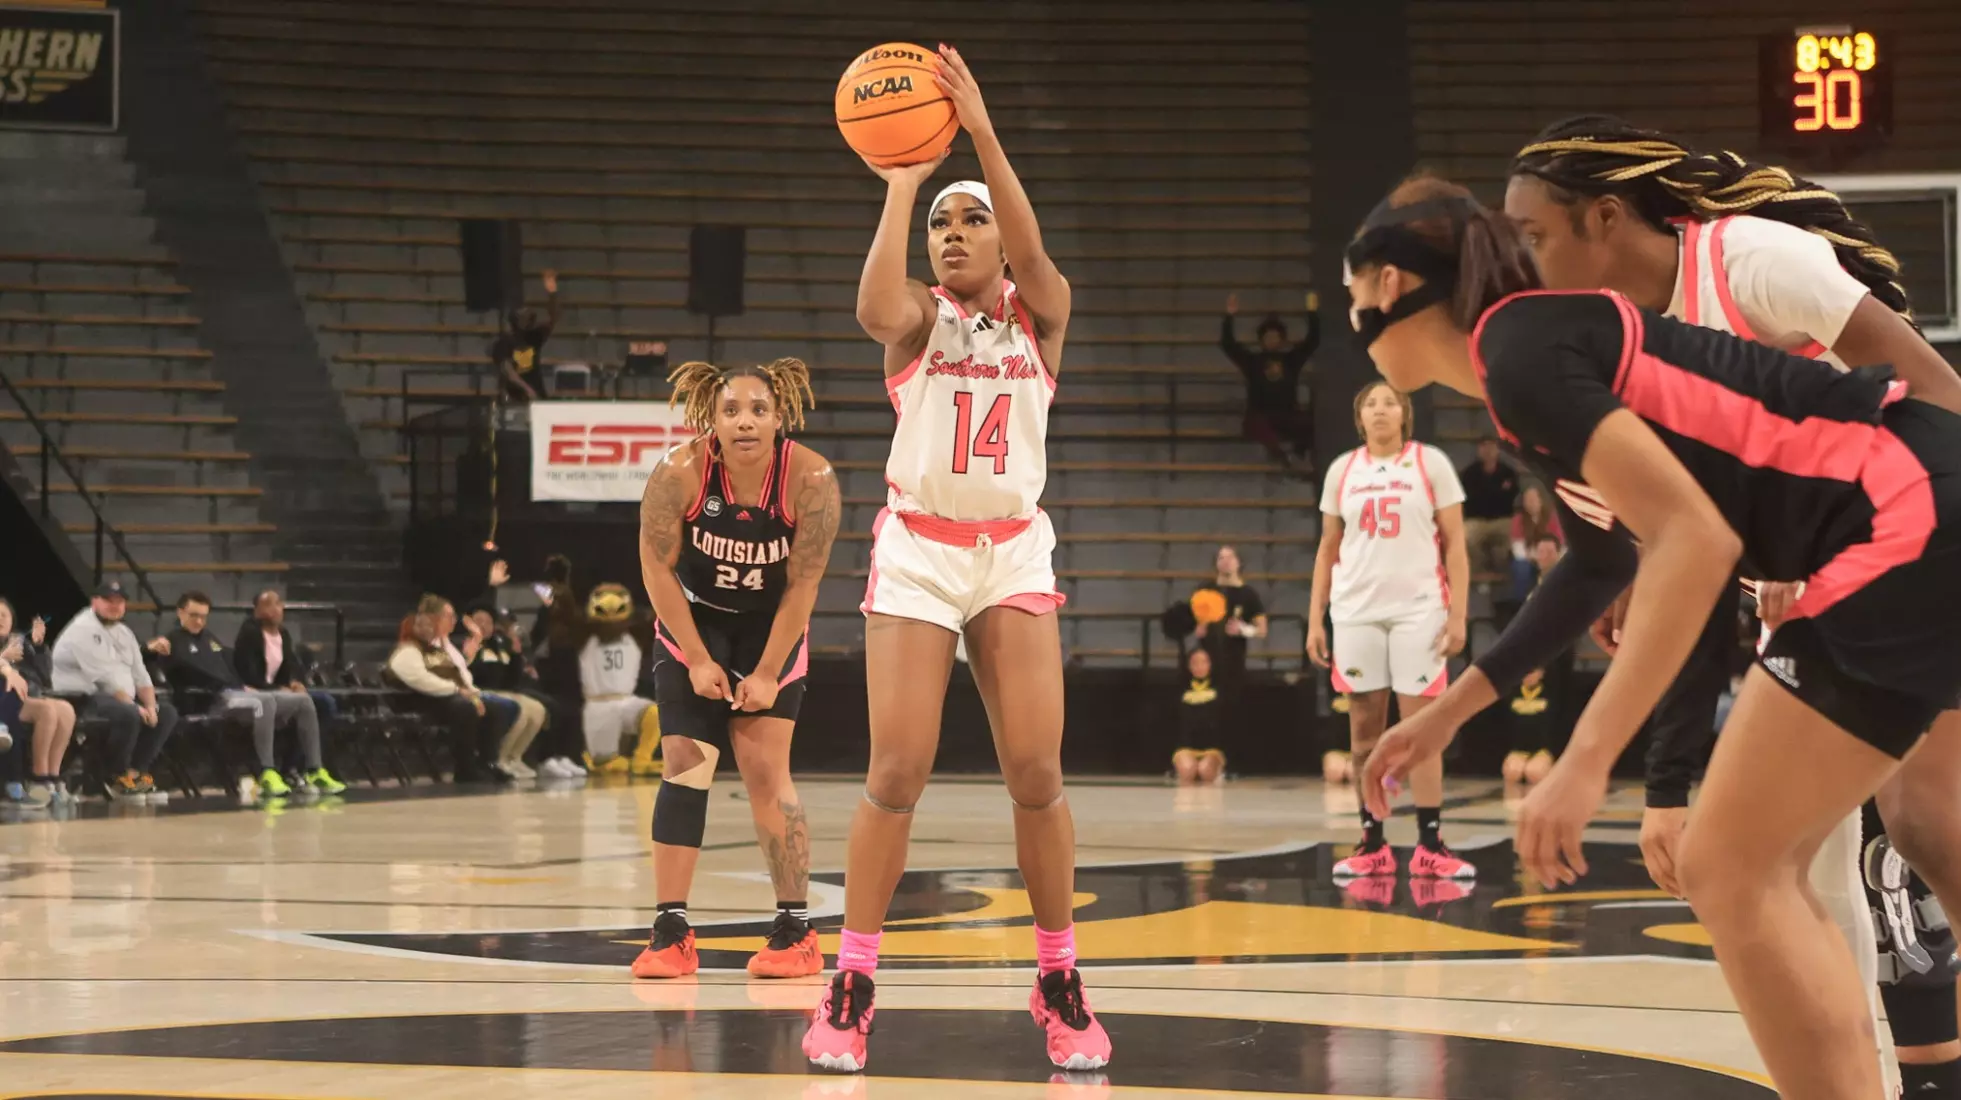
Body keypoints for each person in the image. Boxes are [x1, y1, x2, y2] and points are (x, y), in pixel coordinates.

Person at [1346, 172, 1961, 1100]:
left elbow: (1693, 541)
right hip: (1905, 511)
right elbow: (1599, 564)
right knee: (1760, 867)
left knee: (1733, 866)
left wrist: (1586, 762)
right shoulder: (1524, 356)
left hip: (1896, 519)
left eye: (1347, 294)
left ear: (1388, 284)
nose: (1348, 318)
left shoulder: (1517, 350)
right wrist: (1451, 712)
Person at [804, 44, 1111, 1074]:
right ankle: (849, 979)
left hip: (1011, 549)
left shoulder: (1042, 312)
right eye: (943, 222)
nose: (952, 233)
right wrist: (899, 184)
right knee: (896, 769)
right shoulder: (915, 325)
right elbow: (867, 308)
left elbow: (1033, 251)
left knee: (1035, 770)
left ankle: (1057, 974)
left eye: (966, 217)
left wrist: (978, 134)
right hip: (920, 553)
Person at [632, 356, 839, 982]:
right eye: (730, 411)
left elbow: (803, 587)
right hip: (697, 622)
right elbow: (655, 570)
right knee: (686, 763)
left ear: (781, 417)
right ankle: (671, 928)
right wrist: (696, 658)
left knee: (764, 770)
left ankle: (796, 930)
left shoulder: (811, 478)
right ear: (711, 419)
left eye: (758, 410)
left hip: (769, 627)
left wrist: (770, 671)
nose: (744, 422)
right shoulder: (679, 472)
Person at [1305, 380, 1473, 880]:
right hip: (1355, 611)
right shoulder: (1344, 469)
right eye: (1370, 404)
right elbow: (1327, 547)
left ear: (1404, 414)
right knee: (1362, 733)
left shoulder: (1430, 463)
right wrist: (1316, 617)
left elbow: (1457, 544)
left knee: (1420, 730)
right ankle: (1371, 841)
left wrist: (1458, 613)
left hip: (1419, 612)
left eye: (1389, 402)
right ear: (1360, 419)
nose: (1380, 410)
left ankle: (1431, 843)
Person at [154, 591, 343, 797]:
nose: (199, 621)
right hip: (212, 699)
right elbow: (186, 672)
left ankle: (314, 769)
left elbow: (228, 663)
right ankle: (267, 772)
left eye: (203, 616)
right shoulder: (172, 641)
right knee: (265, 701)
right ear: (180, 613)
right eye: (194, 616)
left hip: (236, 693)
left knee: (304, 701)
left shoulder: (208, 638)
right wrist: (151, 649)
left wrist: (242, 685)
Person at [49, 581, 180, 801]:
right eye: (108, 601)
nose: (115, 606)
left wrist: (149, 706)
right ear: (94, 602)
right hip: (81, 698)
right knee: (128, 714)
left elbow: (141, 674)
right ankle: (114, 776)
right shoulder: (83, 629)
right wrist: (135, 707)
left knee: (166, 713)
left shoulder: (124, 632)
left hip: (118, 699)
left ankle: (135, 774)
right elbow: (104, 681)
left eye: (120, 602)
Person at [386, 600, 514, 783]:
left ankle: (488, 762)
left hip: (446, 699)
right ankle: (465, 768)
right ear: (413, 627)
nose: (427, 629)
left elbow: (459, 672)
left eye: (430, 625)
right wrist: (456, 689)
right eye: (421, 625)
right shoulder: (407, 650)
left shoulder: (438, 651)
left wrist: (471, 691)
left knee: (495, 708)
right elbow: (420, 680)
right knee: (465, 708)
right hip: (420, 700)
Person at [1500, 535, 1573, 787]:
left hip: (1558, 648)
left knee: (1557, 701)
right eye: (1540, 551)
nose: (1545, 555)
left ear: (1558, 553)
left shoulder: (1566, 582)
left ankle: (1556, 758)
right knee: (1512, 771)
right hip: (1533, 647)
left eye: (1549, 551)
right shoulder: (1528, 584)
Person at [1220, 291, 1319, 471]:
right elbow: (1229, 345)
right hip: (1260, 415)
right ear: (1261, 340)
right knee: (1254, 424)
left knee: (1309, 423)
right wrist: (1229, 316)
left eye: (1275, 336)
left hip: (1287, 414)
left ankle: (1298, 454)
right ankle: (1281, 456)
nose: (1271, 339)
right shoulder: (1252, 361)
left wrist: (1312, 312)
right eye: (1267, 336)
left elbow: (1312, 342)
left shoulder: (1291, 360)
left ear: (1282, 340)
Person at [0, 598, 75, 809]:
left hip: (29, 694)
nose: (0, 619)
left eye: (4, 615)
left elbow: (45, 676)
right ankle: (38, 776)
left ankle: (53, 776)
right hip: (8, 698)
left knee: (66, 709)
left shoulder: (20, 642)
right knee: (46, 710)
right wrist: (3, 658)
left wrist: (38, 646)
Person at [1186, 545, 1266, 711]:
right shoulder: (1204, 589)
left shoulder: (1248, 594)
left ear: (1238, 563)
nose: (1225, 562)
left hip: (1234, 662)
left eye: (1230, 557)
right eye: (1221, 558)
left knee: (1231, 707)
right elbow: (1191, 618)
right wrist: (1197, 626)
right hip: (1205, 663)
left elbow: (1262, 630)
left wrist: (1243, 629)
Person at [492, 269, 561, 402]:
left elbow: (554, 318)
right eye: (524, 313)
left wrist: (552, 293)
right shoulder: (504, 342)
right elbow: (509, 372)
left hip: (537, 396)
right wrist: (527, 390)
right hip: (516, 399)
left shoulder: (533, 337)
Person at [1457, 436, 1518, 578]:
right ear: (1479, 450)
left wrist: (1486, 493)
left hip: (1502, 520)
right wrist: (1497, 491)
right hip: (1476, 520)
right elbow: (1470, 499)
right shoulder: (1469, 474)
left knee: (1507, 542)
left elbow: (1509, 498)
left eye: (1492, 447)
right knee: (1467, 538)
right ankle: (1477, 577)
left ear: (1497, 450)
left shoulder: (1508, 473)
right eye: (1484, 447)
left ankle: (1504, 578)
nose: (1488, 451)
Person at [1170, 647, 1225, 785]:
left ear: (1210, 664)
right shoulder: (1181, 689)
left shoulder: (1220, 689)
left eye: (1204, 662)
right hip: (1186, 746)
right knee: (1188, 770)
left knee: (1205, 770)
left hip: (1212, 748)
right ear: (1189, 666)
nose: (1200, 666)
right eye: (1195, 662)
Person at [1508, 483, 1563, 602]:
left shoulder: (1552, 517)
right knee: (1521, 567)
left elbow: (1559, 543)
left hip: (1549, 556)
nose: (1530, 503)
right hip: (1527, 558)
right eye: (1527, 500)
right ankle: (1522, 603)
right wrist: (1536, 555)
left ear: (1541, 500)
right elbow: (1518, 549)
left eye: (1533, 499)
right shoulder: (1518, 519)